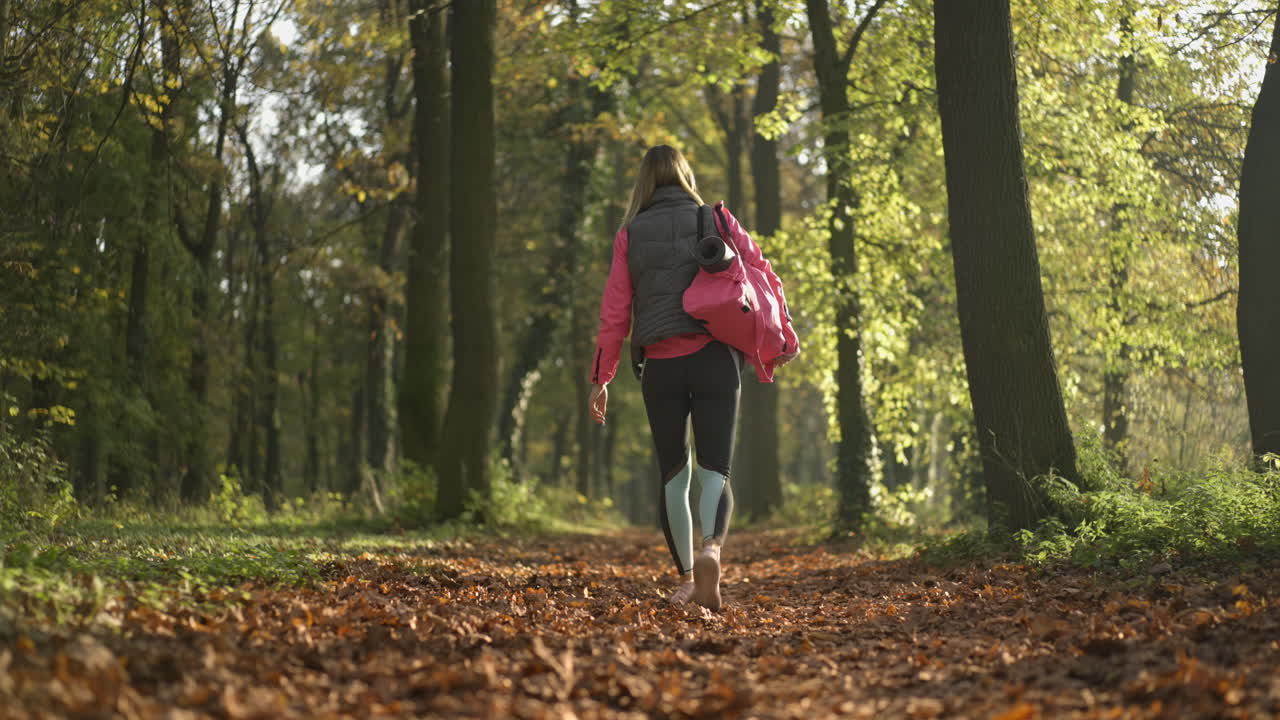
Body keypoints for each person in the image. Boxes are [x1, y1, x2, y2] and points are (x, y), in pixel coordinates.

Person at [587, 145, 798, 611]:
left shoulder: (630, 233)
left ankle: (686, 578)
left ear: (644, 181)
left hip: (660, 365)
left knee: (674, 475)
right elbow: (762, 275)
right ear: (685, 175)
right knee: (714, 470)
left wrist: (601, 377)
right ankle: (711, 552)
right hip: (715, 360)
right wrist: (776, 338)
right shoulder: (716, 220)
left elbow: (614, 312)